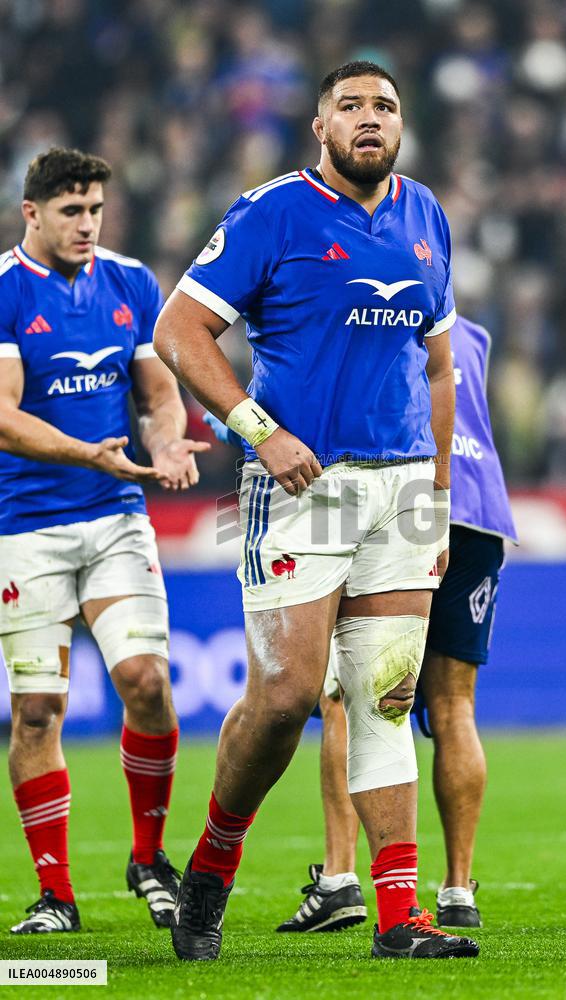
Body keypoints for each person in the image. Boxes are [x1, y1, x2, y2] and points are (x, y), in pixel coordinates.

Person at [155, 60, 479, 962]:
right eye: (351, 106)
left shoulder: (426, 215)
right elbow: (178, 331)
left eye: (385, 105)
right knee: (289, 693)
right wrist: (258, 431)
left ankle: (400, 915)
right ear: (319, 126)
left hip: (406, 483)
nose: (370, 118)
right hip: (303, 484)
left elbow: (441, 366)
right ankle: (213, 870)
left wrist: (442, 496)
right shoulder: (271, 213)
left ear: (401, 126)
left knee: (386, 696)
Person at [0, 147, 209, 934]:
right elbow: (4, 413)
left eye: (94, 210)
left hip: (115, 517)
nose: (87, 225)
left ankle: (148, 859)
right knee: (37, 711)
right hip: (25, 528)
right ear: (32, 214)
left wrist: (163, 441)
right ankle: (56, 897)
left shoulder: (129, 282)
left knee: (148, 683)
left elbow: (159, 394)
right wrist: (88, 450)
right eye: (69, 212)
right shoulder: (7, 292)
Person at [274, 314, 518, 934]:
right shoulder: (477, 335)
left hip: (399, 499)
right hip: (479, 508)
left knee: (348, 698)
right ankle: (459, 888)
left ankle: (339, 879)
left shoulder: (362, 313)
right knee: (455, 706)